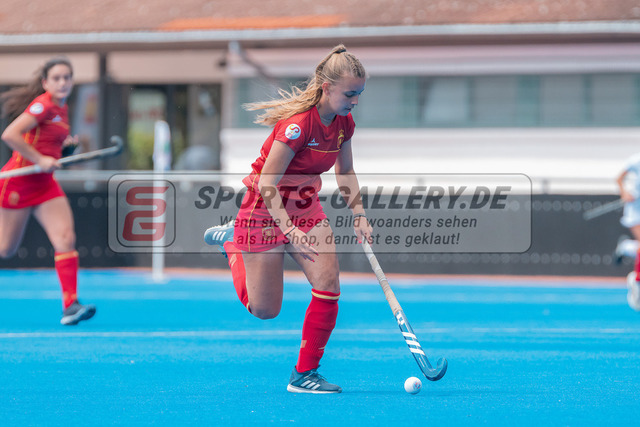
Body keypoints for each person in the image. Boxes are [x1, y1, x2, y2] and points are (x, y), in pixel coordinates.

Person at [204, 44, 372, 393]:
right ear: (327, 88)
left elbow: (345, 171)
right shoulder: (296, 127)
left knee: (329, 286)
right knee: (265, 310)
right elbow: (267, 183)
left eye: (359, 94)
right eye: (350, 94)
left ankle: (304, 374)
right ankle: (232, 244)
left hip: (306, 209)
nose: (355, 101)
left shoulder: (344, 124)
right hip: (264, 210)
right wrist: (289, 229)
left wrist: (358, 213)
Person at [0, 56, 96, 325]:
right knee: (6, 249)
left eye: (67, 77)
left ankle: (70, 305)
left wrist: (63, 152)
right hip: (18, 182)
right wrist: (39, 159)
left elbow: (47, 145)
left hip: (45, 184)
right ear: (45, 83)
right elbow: (10, 135)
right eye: (56, 78)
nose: (62, 82)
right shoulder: (42, 105)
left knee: (65, 238)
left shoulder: (62, 109)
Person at [614, 153, 640, 311]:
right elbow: (619, 178)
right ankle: (637, 281)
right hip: (636, 211)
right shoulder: (636, 160)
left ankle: (626, 247)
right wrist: (624, 193)